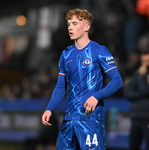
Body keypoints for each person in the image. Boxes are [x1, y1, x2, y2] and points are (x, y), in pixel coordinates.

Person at [41, 8, 123, 150]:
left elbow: (117, 80)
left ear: (86, 27)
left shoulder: (99, 50)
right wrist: (49, 108)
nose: (70, 28)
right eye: (68, 24)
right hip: (69, 118)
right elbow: (61, 87)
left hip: (90, 118)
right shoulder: (66, 54)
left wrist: (97, 96)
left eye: (74, 24)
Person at [124, 49, 149, 150]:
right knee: (133, 146)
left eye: (148, 60)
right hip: (136, 116)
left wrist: (142, 77)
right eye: (143, 61)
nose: (146, 64)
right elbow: (127, 93)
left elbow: (148, 91)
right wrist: (141, 93)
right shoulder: (137, 73)